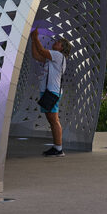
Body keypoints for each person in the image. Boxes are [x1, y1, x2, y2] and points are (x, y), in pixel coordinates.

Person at [30, 28, 71, 157]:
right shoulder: (52, 57)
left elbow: (41, 51)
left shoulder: (58, 56)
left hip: (52, 91)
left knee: (54, 120)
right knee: (51, 119)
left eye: (59, 42)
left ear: (62, 48)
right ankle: (56, 147)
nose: (56, 42)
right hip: (48, 91)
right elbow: (36, 55)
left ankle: (58, 149)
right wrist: (33, 40)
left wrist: (36, 37)